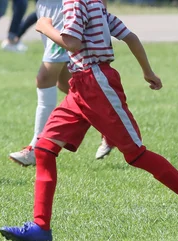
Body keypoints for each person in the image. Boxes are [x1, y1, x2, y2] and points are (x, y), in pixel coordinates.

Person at [0, 0, 178, 241]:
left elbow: (73, 43)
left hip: (97, 83)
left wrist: (44, 27)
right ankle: (40, 228)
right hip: (81, 85)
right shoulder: (94, 2)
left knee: (136, 154)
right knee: (44, 149)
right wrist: (147, 71)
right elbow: (130, 37)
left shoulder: (75, 2)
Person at [8, 0, 113, 167]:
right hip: (45, 10)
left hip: (64, 13)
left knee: (44, 78)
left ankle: (36, 148)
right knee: (66, 84)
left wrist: (100, 13)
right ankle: (110, 129)